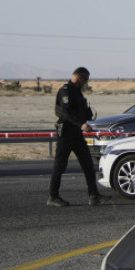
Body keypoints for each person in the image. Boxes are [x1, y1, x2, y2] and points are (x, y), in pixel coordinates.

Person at [48, 66, 103, 207]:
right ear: (79, 77)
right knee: (60, 165)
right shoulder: (65, 91)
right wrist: (81, 124)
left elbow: (81, 112)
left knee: (88, 164)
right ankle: (53, 196)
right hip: (66, 133)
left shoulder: (77, 93)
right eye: (85, 79)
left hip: (77, 134)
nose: (86, 83)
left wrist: (88, 116)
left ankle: (93, 195)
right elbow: (66, 113)